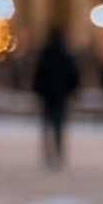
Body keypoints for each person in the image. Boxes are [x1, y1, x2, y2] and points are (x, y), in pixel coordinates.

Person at [31, 28, 80, 170]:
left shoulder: (45, 54)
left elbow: (38, 74)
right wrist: (73, 90)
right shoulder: (65, 54)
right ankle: (58, 153)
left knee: (47, 125)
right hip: (60, 95)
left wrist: (38, 90)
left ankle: (48, 153)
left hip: (47, 95)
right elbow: (73, 74)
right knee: (58, 125)